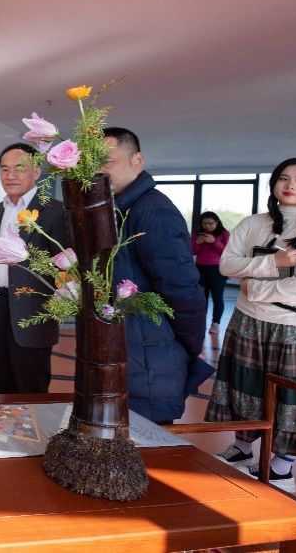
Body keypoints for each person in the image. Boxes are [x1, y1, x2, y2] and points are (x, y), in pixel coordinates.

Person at [205, 158, 296, 494]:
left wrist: (255, 287)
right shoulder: (253, 222)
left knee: (292, 396)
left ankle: (281, 468)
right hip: (249, 320)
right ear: (273, 183)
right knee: (244, 385)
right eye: (283, 178)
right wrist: (274, 262)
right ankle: (242, 449)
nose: (290, 185)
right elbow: (227, 265)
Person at [101, 127, 208, 423]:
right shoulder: (117, 209)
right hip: (128, 350)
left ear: (137, 160)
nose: (99, 171)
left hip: (151, 355)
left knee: (148, 441)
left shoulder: (153, 211)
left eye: (107, 161)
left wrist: (189, 346)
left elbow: (182, 290)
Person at [0, 144, 66, 394]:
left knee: (29, 386)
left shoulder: (54, 211)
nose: (10, 175)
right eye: (5, 169)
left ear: (36, 171)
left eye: (19, 168)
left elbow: (66, 263)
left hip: (31, 312)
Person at [193, 211, 230, 334]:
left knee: (217, 297)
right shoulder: (198, 234)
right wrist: (197, 242)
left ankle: (216, 323)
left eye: (210, 223)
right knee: (201, 298)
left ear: (217, 222)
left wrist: (214, 241)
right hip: (200, 268)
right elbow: (192, 251)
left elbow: (227, 253)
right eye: (205, 223)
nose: (208, 226)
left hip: (218, 269)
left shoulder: (224, 234)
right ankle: (201, 322)